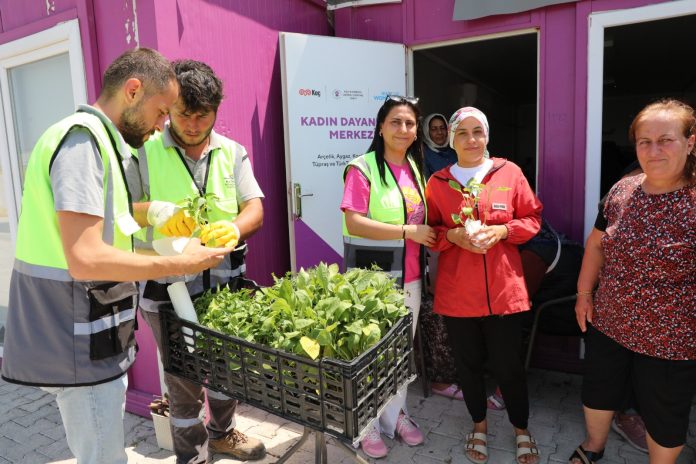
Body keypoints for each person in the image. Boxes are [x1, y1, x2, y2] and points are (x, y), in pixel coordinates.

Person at [0, 48, 231, 464]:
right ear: (133, 90)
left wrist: (155, 214)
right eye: (161, 112)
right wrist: (179, 263)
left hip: (88, 334)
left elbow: (111, 231)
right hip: (74, 339)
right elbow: (85, 258)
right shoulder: (82, 144)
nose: (162, 125)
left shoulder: (103, 143)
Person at [125, 59, 266, 463]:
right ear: (170, 108)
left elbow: (254, 208)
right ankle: (192, 455)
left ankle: (222, 433)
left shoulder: (232, 152)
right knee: (183, 377)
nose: (192, 124)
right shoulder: (144, 152)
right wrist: (154, 212)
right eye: (183, 114)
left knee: (226, 366)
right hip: (167, 287)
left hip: (224, 284)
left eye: (202, 115)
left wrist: (235, 229)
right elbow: (120, 213)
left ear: (216, 110)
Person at [571, 99, 696, 464]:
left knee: (664, 413)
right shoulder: (622, 190)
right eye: (644, 141)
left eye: (665, 140)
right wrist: (583, 293)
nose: (653, 150)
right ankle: (593, 446)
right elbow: (596, 245)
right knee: (599, 390)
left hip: (671, 339)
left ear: (690, 142)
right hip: (610, 322)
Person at [425, 106, 542, 464]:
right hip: (458, 293)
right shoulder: (438, 182)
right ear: (452, 139)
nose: (471, 139)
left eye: (478, 131)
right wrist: (453, 236)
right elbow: (430, 231)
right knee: (468, 366)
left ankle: (521, 429)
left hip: (503, 291)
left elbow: (533, 218)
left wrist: (504, 230)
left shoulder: (509, 173)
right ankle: (479, 425)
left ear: (487, 135)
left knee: (509, 367)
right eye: (462, 132)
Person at [341, 95, 436, 459]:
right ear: (381, 127)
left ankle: (395, 416)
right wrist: (407, 231)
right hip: (372, 278)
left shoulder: (414, 167)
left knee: (399, 354)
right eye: (396, 122)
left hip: (409, 278)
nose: (403, 129)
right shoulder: (362, 168)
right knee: (370, 354)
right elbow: (354, 222)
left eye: (410, 123)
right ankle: (365, 424)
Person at [486, 218, 584, 411]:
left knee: (508, 321)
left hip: (563, 310)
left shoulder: (535, 250)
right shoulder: (536, 233)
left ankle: (506, 390)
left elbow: (516, 298)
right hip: (558, 299)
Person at [423, 113, 458, 179]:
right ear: (427, 131)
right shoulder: (423, 155)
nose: (439, 132)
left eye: (442, 128)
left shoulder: (455, 149)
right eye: (434, 129)